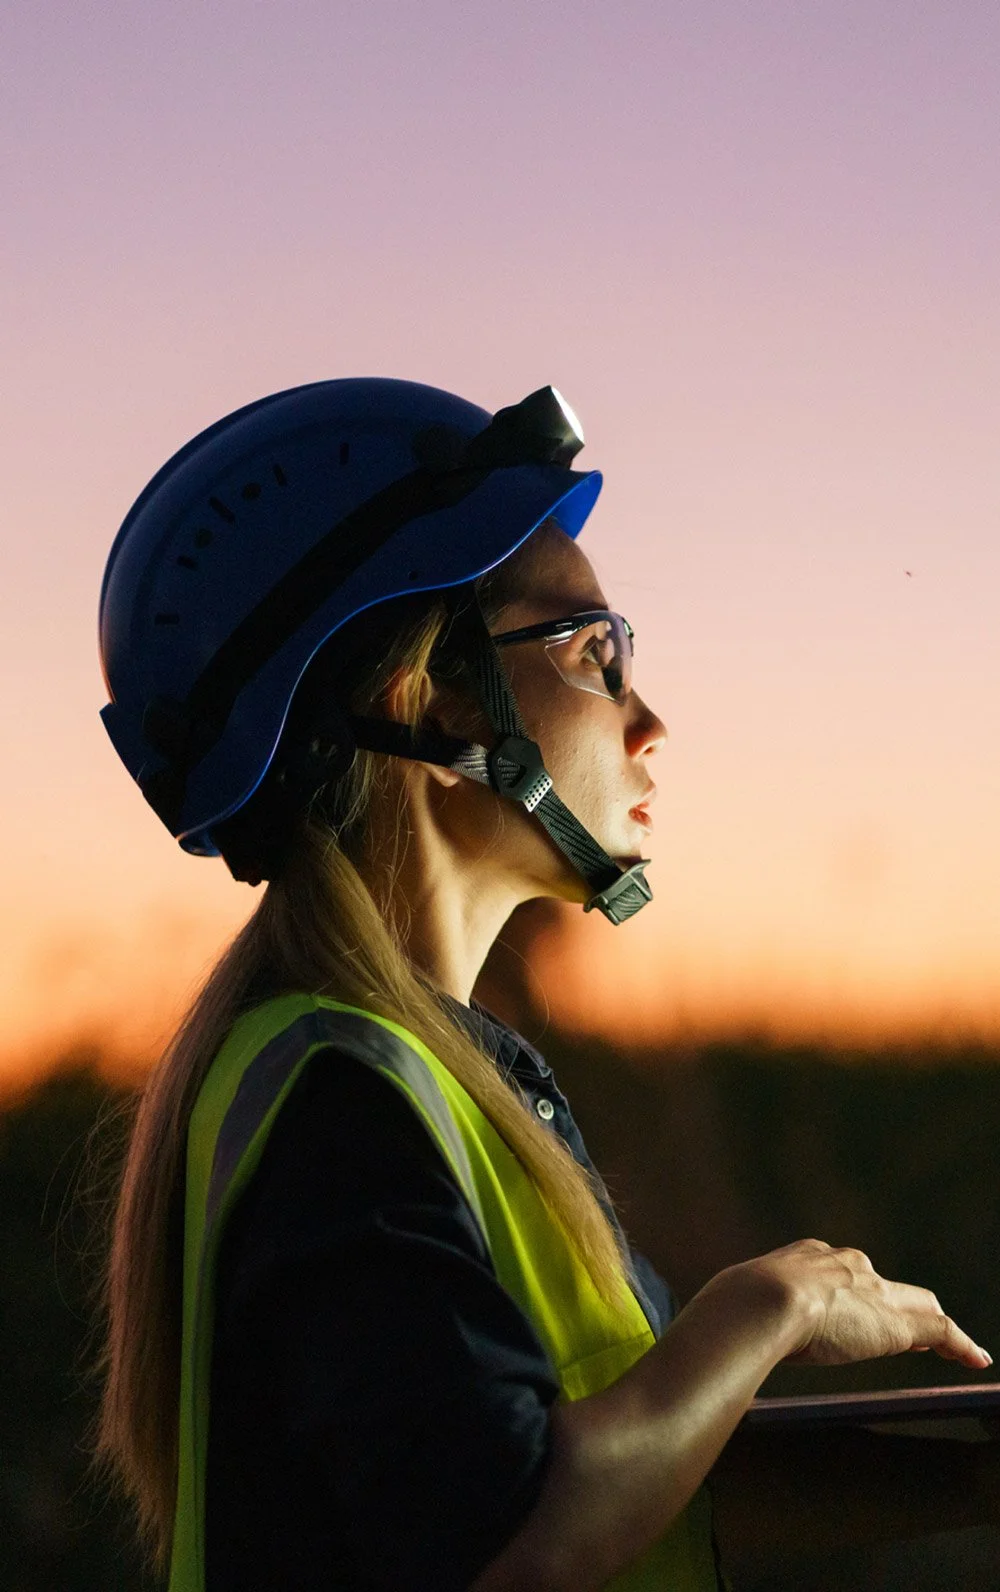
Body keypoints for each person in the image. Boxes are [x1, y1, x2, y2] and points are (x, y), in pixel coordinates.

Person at [95, 378, 995, 1592]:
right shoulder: (339, 1098)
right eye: (592, 649)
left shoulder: (427, 1077)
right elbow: (515, 1528)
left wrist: (975, 1480)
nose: (649, 718)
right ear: (416, 698)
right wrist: (765, 1305)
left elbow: (639, 1487)